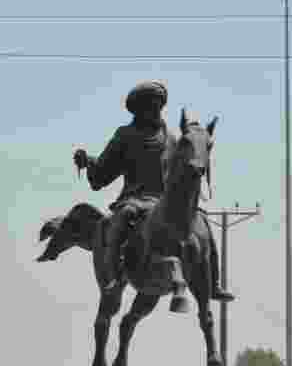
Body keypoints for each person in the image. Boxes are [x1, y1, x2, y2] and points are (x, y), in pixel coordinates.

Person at [73, 80, 234, 301]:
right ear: (138, 109)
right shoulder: (125, 136)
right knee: (123, 217)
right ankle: (112, 275)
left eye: (158, 105)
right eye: (150, 105)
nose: (155, 110)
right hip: (135, 199)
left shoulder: (173, 139)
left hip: (166, 201)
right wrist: (89, 162)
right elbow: (101, 175)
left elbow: (183, 172)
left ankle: (213, 283)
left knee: (203, 222)